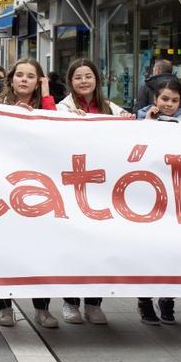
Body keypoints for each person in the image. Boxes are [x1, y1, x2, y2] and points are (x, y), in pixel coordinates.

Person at [54, 59, 124, 325]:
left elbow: (133, 126)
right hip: (73, 187)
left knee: (100, 247)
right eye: (78, 77)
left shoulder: (111, 108)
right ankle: (70, 303)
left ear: (97, 79)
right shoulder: (63, 108)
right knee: (75, 246)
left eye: (88, 76)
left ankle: (94, 304)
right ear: (70, 82)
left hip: (103, 189)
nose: (84, 81)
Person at [0, 59, 58, 328]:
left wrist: (45, 97)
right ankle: (4, 307)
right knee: (4, 250)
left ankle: (42, 309)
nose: (24, 79)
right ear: (11, 79)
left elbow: (58, 128)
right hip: (4, 187)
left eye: (31, 76)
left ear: (39, 81)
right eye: (19, 75)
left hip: (41, 189)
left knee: (40, 251)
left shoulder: (49, 106)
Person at [133, 77, 181, 325]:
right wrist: (148, 124)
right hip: (147, 195)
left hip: (175, 195)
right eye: (164, 99)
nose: (169, 104)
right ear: (155, 100)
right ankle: (144, 301)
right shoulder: (141, 119)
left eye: (174, 100)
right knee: (145, 251)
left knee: (173, 251)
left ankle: (167, 300)